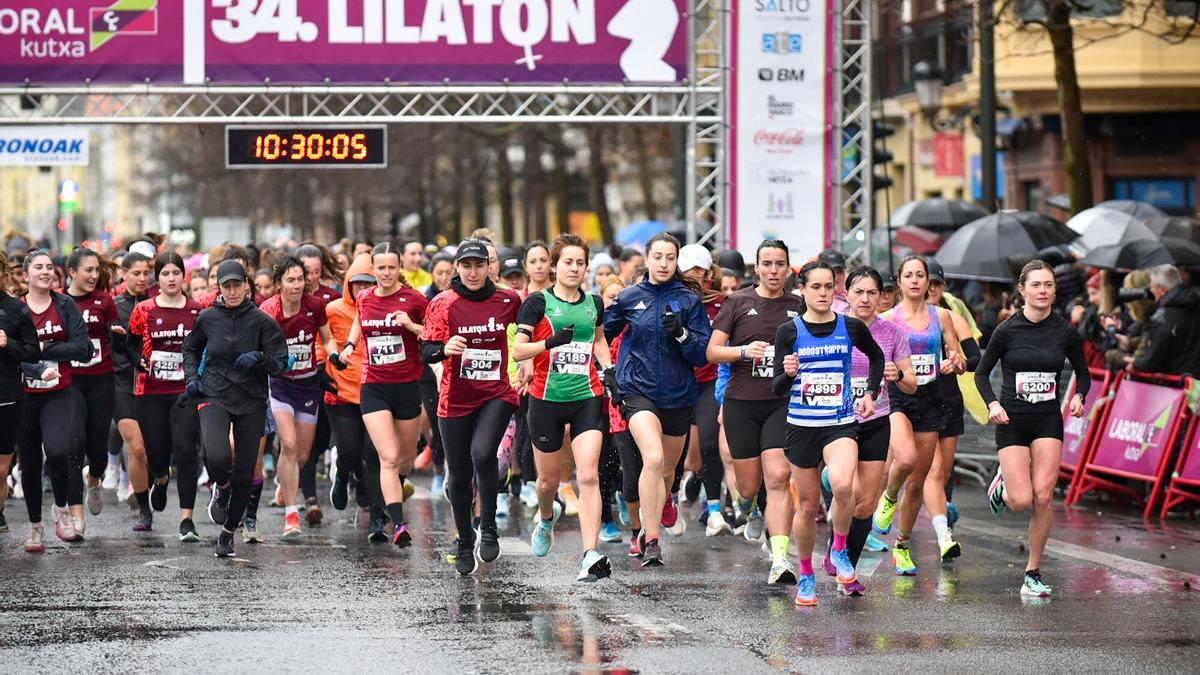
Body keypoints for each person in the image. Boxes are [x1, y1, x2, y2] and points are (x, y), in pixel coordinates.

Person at [773, 261, 884, 607]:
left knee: (843, 485)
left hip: (840, 423)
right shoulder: (788, 332)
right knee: (807, 506)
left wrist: (871, 393)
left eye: (828, 287)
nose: (823, 293)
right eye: (815, 287)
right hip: (802, 427)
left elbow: (877, 357)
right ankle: (806, 574)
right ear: (802, 290)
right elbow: (777, 388)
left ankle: (839, 549)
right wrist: (788, 374)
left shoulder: (850, 327)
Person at [977, 260, 1089, 597]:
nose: (1043, 291)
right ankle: (1003, 487)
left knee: (1043, 497)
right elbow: (981, 373)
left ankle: (1033, 572)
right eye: (1036, 285)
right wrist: (992, 404)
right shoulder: (1007, 330)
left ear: (1055, 290)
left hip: (1046, 421)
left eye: (1048, 285)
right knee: (1021, 500)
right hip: (1011, 421)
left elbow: (1083, 373)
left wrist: (1080, 396)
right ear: (1022, 290)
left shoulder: (1065, 332)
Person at [603, 233, 712, 567]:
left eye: (670, 258)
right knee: (652, 457)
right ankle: (651, 539)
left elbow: (701, 354)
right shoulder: (629, 297)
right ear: (647, 259)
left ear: (676, 261)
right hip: (637, 390)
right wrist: (607, 369)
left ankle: (664, 501)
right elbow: (601, 333)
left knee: (666, 469)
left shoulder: (688, 300)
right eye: (658, 257)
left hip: (678, 394)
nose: (664, 264)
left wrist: (681, 333)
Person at [513, 233, 615, 582]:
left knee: (588, 475)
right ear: (554, 267)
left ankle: (590, 553)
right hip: (546, 401)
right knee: (547, 482)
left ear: (587, 267)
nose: (574, 268)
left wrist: (609, 369)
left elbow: (598, 340)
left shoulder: (594, 303)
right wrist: (549, 343)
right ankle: (546, 519)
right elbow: (518, 350)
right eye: (568, 262)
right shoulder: (537, 303)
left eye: (580, 263)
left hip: (587, 397)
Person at [420, 239, 522, 575]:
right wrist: (444, 348)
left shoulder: (508, 299)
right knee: (460, 473)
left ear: (489, 267)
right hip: (456, 398)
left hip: (495, 392)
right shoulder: (443, 302)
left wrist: (528, 360)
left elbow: (531, 329)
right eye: (467, 266)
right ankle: (465, 539)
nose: (474, 272)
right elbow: (426, 351)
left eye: (479, 265)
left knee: (483, 453)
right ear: (457, 268)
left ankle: (488, 526)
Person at [707, 240, 803, 583]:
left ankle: (780, 559)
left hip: (781, 402)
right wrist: (744, 351)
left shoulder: (799, 305)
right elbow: (712, 352)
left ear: (788, 268)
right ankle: (748, 507)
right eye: (767, 264)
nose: (773, 270)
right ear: (757, 268)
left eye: (780, 264)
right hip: (742, 404)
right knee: (748, 486)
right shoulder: (737, 302)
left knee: (778, 477)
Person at [183, 260, 288, 558]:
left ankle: (228, 532)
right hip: (214, 392)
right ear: (219, 287)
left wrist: (260, 358)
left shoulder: (261, 321)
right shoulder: (207, 318)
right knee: (217, 455)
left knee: (245, 471)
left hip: (251, 398)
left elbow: (281, 361)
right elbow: (190, 348)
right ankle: (222, 485)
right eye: (226, 286)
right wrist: (192, 378)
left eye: (236, 285)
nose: (232, 291)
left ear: (246, 286)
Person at [822, 266, 916, 596]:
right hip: (837, 422)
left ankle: (845, 563)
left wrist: (896, 375)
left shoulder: (892, 333)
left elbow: (912, 383)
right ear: (845, 294)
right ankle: (841, 554)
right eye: (858, 292)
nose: (865, 298)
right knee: (846, 489)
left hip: (876, 420)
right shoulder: (831, 327)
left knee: (865, 503)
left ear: (881, 297)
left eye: (872, 293)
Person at [871, 255, 963, 576]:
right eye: (908, 275)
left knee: (917, 483)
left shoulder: (942, 316)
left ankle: (902, 546)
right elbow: (872, 358)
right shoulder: (887, 318)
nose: (914, 280)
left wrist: (955, 363)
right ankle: (888, 497)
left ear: (927, 282)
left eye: (920, 275)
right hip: (897, 397)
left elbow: (958, 358)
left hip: (931, 399)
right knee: (906, 458)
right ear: (899, 282)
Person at [331, 242, 427, 547]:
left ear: (399, 268)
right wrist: (349, 346)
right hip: (374, 387)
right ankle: (398, 523)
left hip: (407, 387)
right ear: (374, 269)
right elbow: (360, 321)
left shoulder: (414, 299)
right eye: (381, 268)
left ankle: (395, 491)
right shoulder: (366, 297)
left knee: (405, 461)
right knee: (388, 457)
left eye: (391, 267)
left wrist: (410, 325)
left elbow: (434, 334)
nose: (386, 273)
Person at [17, 249, 92, 547]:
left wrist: (43, 347)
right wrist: (31, 357)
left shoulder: (64, 304)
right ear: (26, 275)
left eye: (49, 267)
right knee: (30, 463)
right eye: (38, 267)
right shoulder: (17, 309)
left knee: (59, 451)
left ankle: (61, 508)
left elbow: (82, 349)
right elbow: (12, 352)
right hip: (24, 395)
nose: (46, 272)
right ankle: (35, 526)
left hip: (58, 393)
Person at [127, 252, 204, 539]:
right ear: (156, 278)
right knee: (156, 454)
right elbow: (130, 344)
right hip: (150, 391)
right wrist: (139, 361)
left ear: (184, 276)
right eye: (165, 274)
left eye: (176, 273)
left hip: (184, 391)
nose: (171, 279)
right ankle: (160, 478)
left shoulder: (197, 311)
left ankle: (187, 520)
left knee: (186, 451)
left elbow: (204, 348)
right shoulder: (144, 309)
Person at [262, 256, 339, 537]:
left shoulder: (315, 306)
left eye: (300, 280)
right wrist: (275, 361)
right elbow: (260, 348)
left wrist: (333, 355)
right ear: (279, 283)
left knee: (304, 454)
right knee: (290, 444)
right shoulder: (269, 311)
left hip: (308, 386)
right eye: (290, 280)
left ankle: (286, 483)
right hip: (281, 385)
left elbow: (327, 338)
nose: (296, 285)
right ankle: (291, 515)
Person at [325, 255, 387, 539]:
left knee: (374, 455)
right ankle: (344, 473)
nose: (362, 289)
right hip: (342, 391)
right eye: (357, 283)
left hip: (376, 391)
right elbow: (322, 340)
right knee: (349, 451)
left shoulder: (384, 308)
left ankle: (377, 517)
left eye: (368, 283)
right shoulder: (334, 309)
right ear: (348, 285)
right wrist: (324, 364)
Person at [65, 248, 122, 519]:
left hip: (101, 380)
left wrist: (119, 334)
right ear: (72, 272)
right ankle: (76, 513)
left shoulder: (104, 300)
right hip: (71, 381)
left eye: (97, 270)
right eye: (88, 270)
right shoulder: (61, 301)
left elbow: (115, 335)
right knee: (75, 442)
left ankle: (95, 478)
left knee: (98, 449)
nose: (94, 275)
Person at [0, 251, 45, 546]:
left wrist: (9, 344)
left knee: (1, 469)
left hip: (6, 397)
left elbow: (32, 352)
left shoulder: (15, 309)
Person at [112, 253, 153, 511]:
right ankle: (141, 504)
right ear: (123, 273)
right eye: (136, 273)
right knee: (137, 447)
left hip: (152, 384)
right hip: (120, 382)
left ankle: (150, 483)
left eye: (146, 273)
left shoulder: (157, 303)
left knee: (150, 451)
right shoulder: (113, 306)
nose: (142, 278)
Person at [1130, 264, 1200, 376]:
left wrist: (1135, 364)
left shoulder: (1165, 314)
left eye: (1152, 286)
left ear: (1162, 290)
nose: (1150, 290)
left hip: (1177, 381)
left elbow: (1153, 360)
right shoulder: (1194, 302)